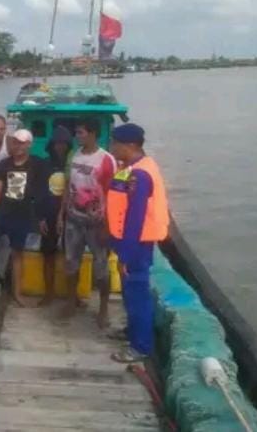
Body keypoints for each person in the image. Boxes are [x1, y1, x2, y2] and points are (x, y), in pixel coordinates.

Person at [107, 123, 170, 362]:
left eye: (116, 143)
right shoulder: (131, 168)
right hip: (127, 241)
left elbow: (135, 217)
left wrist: (126, 254)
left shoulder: (140, 175)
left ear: (131, 145)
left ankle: (140, 346)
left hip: (137, 244)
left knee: (137, 294)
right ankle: (132, 331)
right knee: (129, 291)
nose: (112, 147)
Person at [58, 118, 116, 327]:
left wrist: (108, 225)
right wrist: (61, 215)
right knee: (71, 262)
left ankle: (103, 309)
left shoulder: (106, 159)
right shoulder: (74, 155)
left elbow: (113, 194)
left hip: (97, 223)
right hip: (74, 219)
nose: (77, 136)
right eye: (77, 133)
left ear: (92, 134)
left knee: (101, 266)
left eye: (81, 133)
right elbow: (68, 186)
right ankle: (71, 301)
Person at [0, 129, 46, 307]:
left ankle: (17, 294)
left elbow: (41, 192)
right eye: (16, 142)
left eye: (22, 143)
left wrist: (41, 217)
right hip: (3, 212)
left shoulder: (37, 164)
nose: (18, 146)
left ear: (29, 144)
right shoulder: (4, 164)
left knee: (18, 254)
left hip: (22, 215)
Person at [38, 126, 73, 306]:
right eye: (57, 143)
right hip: (49, 213)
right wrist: (40, 218)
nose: (60, 147)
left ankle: (72, 295)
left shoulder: (73, 164)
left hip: (71, 214)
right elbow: (39, 193)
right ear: (51, 145)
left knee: (71, 255)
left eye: (64, 143)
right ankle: (48, 293)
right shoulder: (44, 164)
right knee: (48, 255)